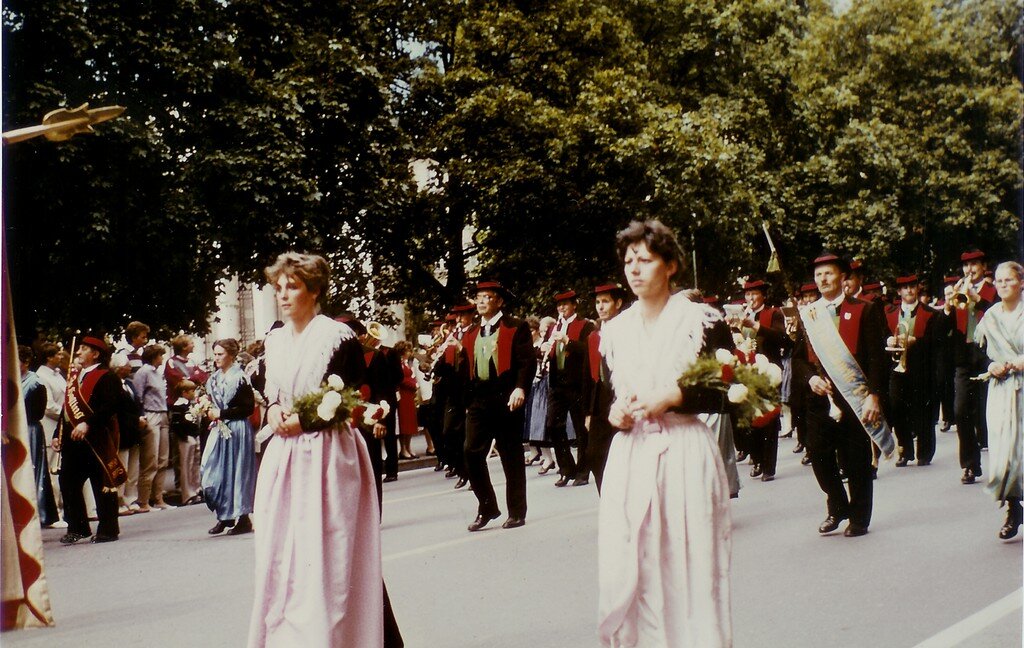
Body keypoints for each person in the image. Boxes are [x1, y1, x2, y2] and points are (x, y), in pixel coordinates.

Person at [247, 252, 402, 647]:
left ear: (314, 290)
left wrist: (308, 420)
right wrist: (275, 412)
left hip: (329, 456)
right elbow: (271, 395)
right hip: (285, 458)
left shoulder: (337, 336)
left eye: (293, 286)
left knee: (333, 550)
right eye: (278, 287)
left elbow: (352, 397)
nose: (283, 295)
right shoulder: (275, 339)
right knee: (287, 552)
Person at [598, 220, 732, 646]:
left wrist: (674, 395)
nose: (634, 270)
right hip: (633, 455)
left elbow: (729, 388)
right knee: (635, 564)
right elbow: (610, 393)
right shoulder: (614, 331)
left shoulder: (701, 320)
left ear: (671, 265)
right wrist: (616, 413)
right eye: (628, 261)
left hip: (684, 452)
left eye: (646, 260)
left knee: (688, 564)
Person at [792, 252, 891, 537]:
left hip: (854, 395)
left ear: (842, 277)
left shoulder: (865, 309)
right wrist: (810, 378)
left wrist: (874, 395)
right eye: (818, 274)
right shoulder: (809, 315)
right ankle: (837, 506)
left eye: (828, 273)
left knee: (856, 458)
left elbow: (876, 358)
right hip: (820, 397)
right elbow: (797, 360)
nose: (822, 279)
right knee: (819, 455)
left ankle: (859, 517)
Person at [459, 280, 535, 532]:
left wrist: (520, 387)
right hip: (480, 399)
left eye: (487, 297)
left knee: (510, 455)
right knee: (471, 451)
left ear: (499, 301)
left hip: (506, 397)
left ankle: (516, 511)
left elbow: (526, 361)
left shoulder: (516, 327)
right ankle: (488, 506)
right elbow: (465, 369)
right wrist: (467, 400)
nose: (481, 302)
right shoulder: (470, 333)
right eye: (478, 297)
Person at [53, 336, 126, 544]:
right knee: (68, 483)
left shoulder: (107, 377)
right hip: (73, 440)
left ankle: (108, 529)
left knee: (101, 483)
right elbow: (66, 409)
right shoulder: (73, 377)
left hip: (96, 439)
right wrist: (57, 434)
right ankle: (77, 527)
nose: (78, 352)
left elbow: (110, 406)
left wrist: (88, 424)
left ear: (95, 354)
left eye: (84, 349)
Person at [973, 261, 1024, 540]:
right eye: (999, 281)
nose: (1003, 285)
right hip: (1002, 390)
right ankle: (1013, 509)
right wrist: (991, 365)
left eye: (1009, 280)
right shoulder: (989, 316)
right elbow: (980, 352)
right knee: (1005, 453)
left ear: (1021, 283)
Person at [734, 278, 790, 481]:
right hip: (748, 372)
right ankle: (756, 459)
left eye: (754, 294)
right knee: (750, 418)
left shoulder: (772, 313)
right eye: (748, 295)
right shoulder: (743, 315)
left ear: (763, 296)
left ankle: (768, 467)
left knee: (769, 420)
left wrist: (756, 326)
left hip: (769, 371)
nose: (750, 298)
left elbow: (783, 339)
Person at [951, 248, 998, 484]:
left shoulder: (993, 289)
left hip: (987, 353)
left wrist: (976, 297)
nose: (969, 270)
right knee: (960, 410)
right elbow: (947, 325)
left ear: (983, 267)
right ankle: (970, 465)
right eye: (966, 266)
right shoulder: (958, 290)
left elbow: (997, 311)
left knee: (989, 411)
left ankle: (1001, 464)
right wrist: (950, 303)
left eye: (974, 265)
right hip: (964, 355)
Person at [883, 274, 941, 466]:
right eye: (904, 287)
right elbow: (882, 336)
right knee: (897, 407)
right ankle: (905, 450)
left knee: (922, 410)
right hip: (897, 367)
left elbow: (936, 342)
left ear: (917, 289)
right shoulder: (889, 313)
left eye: (912, 286)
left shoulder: (931, 313)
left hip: (921, 368)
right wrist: (889, 340)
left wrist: (916, 341)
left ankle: (924, 452)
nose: (909, 290)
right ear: (899, 292)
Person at [201, 339, 256, 535]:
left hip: (237, 429)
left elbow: (248, 408)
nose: (216, 358)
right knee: (215, 470)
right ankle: (224, 515)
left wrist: (222, 414)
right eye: (215, 354)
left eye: (220, 354)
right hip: (219, 430)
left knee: (238, 472)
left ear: (231, 355)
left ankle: (242, 518)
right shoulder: (213, 379)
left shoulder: (240, 378)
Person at [543, 290, 596, 487]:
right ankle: (566, 468)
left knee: (582, 428)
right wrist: (545, 351)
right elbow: (550, 353)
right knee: (552, 426)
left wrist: (567, 342)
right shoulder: (554, 327)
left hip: (576, 383)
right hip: (557, 383)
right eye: (559, 305)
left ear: (574, 305)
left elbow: (588, 351)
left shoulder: (585, 325)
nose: (561, 308)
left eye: (565, 304)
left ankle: (583, 470)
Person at [585, 282, 625, 493]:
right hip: (601, 400)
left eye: (605, 301)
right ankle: (609, 501)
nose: (600, 306)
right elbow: (589, 377)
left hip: (623, 396)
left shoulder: (629, 330)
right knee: (594, 454)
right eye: (598, 302)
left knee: (625, 454)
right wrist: (588, 412)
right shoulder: (593, 337)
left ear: (618, 303)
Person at [19, 346, 59, 527]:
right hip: (12, 431)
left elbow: (38, 411)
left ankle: (40, 512)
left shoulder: (36, 382)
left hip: (29, 429)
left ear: (26, 362)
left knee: (34, 469)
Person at [110, 352, 144, 516]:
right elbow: (119, 410)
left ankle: (131, 498)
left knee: (133, 467)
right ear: (119, 367)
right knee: (122, 466)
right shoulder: (113, 384)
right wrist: (135, 420)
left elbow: (136, 404)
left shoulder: (129, 384)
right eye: (127, 365)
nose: (130, 367)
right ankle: (119, 499)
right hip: (122, 430)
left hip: (134, 431)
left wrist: (141, 417)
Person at [169, 379, 203, 506]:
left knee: (194, 464)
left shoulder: (190, 404)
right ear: (184, 392)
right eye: (191, 391)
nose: (194, 393)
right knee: (186, 465)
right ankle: (187, 494)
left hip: (193, 435)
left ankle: (196, 489)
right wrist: (184, 436)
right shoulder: (179, 405)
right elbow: (177, 424)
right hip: (186, 437)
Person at [395, 340, 427, 459]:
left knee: (410, 422)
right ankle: (403, 449)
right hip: (403, 395)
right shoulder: (398, 363)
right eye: (408, 350)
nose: (410, 353)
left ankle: (408, 447)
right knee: (404, 423)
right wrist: (413, 385)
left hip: (409, 395)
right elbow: (401, 378)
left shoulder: (407, 362)